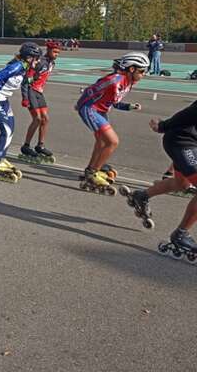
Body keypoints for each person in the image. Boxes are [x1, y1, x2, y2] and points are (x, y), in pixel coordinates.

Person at [122, 101, 197, 262]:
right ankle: (180, 234)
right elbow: (187, 114)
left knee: (181, 184)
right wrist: (162, 126)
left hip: (190, 144)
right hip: (182, 142)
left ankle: (141, 196)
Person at [75, 52, 149, 192]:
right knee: (112, 141)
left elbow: (114, 102)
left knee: (102, 141)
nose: (143, 74)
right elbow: (90, 90)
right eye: (142, 71)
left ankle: (91, 169)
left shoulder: (128, 82)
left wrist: (128, 107)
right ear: (131, 69)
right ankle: (93, 173)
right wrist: (79, 105)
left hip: (101, 111)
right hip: (90, 109)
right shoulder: (114, 80)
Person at [0, 42, 42, 183]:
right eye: (37, 58)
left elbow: (20, 81)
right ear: (29, 57)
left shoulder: (23, 67)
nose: (38, 61)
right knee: (6, 130)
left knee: (11, 130)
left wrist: (29, 80)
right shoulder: (16, 66)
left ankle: (2, 158)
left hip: (4, 100)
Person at [19, 39, 60, 163]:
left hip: (39, 92)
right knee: (37, 119)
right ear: (48, 50)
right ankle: (26, 146)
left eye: (58, 52)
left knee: (45, 119)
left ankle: (40, 145)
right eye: (54, 51)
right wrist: (25, 97)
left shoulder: (52, 63)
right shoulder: (39, 62)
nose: (56, 54)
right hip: (31, 91)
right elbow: (26, 79)